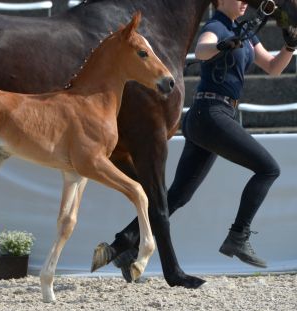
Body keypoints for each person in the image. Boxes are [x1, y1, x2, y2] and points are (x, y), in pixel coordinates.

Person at [105, 0, 297, 280]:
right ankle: (238, 236)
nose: (244, 2)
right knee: (269, 169)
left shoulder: (244, 31)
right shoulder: (216, 26)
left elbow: (273, 67)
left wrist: (290, 46)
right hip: (211, 113)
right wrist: (222, 45)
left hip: (211, 117)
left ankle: (123, 244)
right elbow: (202, 50)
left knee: (179, 194)